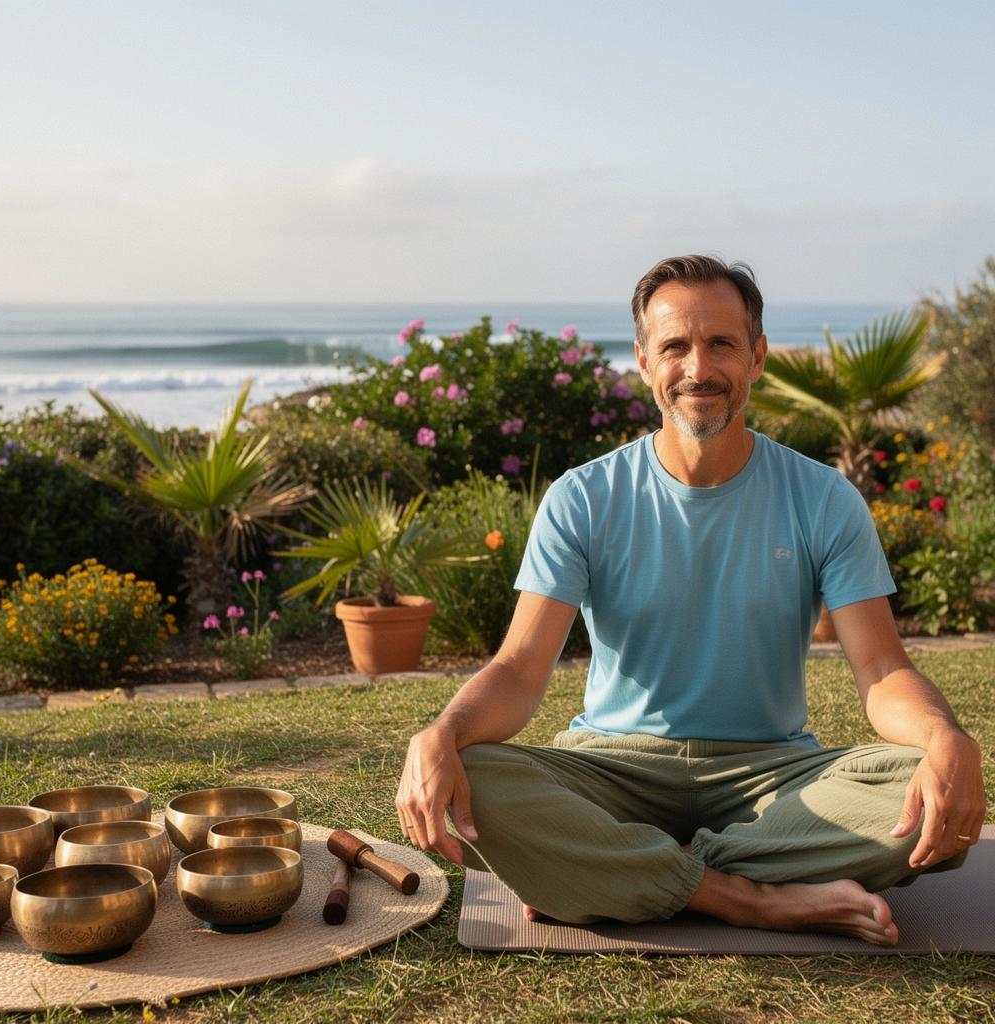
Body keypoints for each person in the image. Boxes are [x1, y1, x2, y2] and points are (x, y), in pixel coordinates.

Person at [395, 255, 984, 946]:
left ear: (757, 357)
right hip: (614, 767)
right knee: (476, 778)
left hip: (770, 777)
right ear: (645, 362)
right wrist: (442, 732)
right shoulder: (584, 498)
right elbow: (521, 670)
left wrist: (945, 735)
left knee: (932, 789)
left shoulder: (824, 498)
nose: (698, 367)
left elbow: (882, 673)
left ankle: (613, 874)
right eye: (675, 345)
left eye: (721, 344)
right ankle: (750, 897)